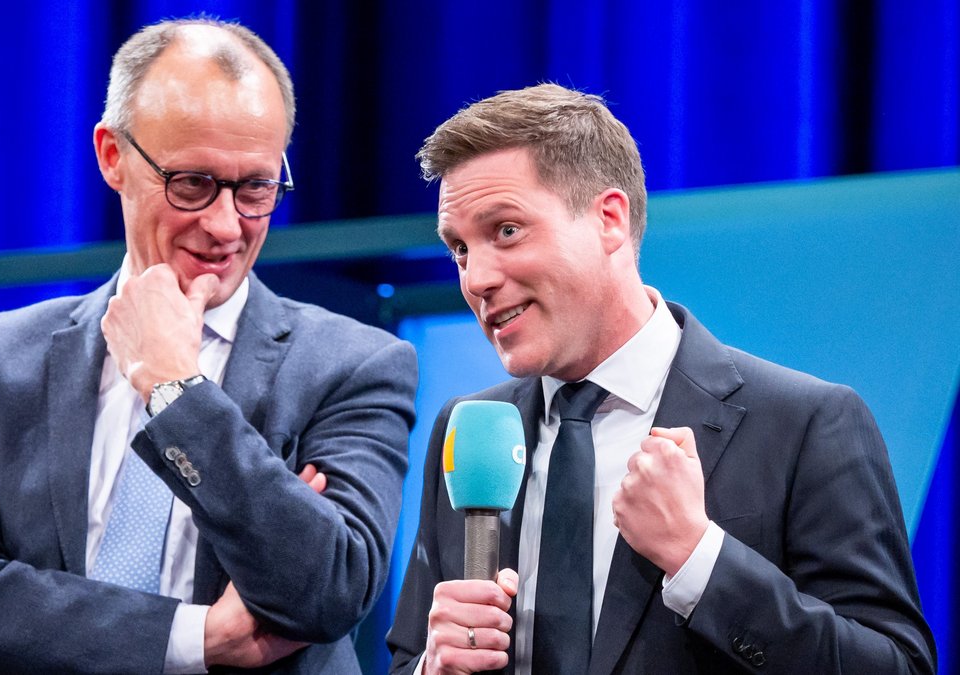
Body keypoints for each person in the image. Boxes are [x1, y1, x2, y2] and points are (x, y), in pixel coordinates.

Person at [0, 18, 417, 674]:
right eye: (192, 184)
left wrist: (175, 386)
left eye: (256, 187)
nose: (226, 225)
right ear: (113, 155)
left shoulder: (353, 363)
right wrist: (198, 635)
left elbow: (326, 589)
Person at [386, 83, 935, 674]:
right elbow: (411, 654)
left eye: (507, 231)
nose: (476, 279)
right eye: (460, 250)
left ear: (609, 219)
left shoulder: (805, 423)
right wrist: (431, 667)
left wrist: (700, 558)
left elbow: (895, 665)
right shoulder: (469, 431)